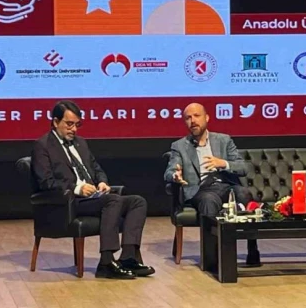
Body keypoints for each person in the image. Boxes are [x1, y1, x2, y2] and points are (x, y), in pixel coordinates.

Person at [31, 100, 155, 279]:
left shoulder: (81, 143)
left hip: (93, 198)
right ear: (55, 122)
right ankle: (106, 262)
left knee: (137, 201)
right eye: (69, 124)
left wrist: (102, 182)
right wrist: (77, 188)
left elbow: (96, 169)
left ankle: (128, 258)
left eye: (77, 124)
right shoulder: (42, 146)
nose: (74, 129)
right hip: (68, 202)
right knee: (113, 200)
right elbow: (46, 182)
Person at [163, 103, 262, 267]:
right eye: (188, 118)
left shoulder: (224, 140)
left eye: (196, 116)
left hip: (226, 186)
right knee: (209, 200)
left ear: (207, 118)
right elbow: (170, 170)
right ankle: (212, 258)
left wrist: (223, 163)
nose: (193, 121)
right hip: (200, 189)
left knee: (243, 193)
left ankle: (253, 249)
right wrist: (175, 175)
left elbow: (243, 167)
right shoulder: (179, 146)